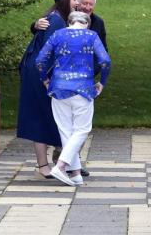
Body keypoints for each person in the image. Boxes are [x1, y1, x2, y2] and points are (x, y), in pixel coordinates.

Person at [36, 11, 110, 186]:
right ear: (87, 23)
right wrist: (102, 83)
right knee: (82, 129)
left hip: (58, 88)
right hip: (83, 89)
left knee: (66, 131)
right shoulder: (91, 36)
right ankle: (61, 166)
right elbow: (105, 61)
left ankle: (75, 174)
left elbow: (40, 61)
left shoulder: (57, 34)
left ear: (69, 22)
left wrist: (45, 80)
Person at [19, 0, 76, 179]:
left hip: (38, 73)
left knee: (46, 118)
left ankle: (53, 163)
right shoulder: (57, 21)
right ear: (65, 1)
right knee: (41, 118)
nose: (76, 3)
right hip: (40, 76)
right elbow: (50, 54)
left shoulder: (55, 18)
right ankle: (44, 166)